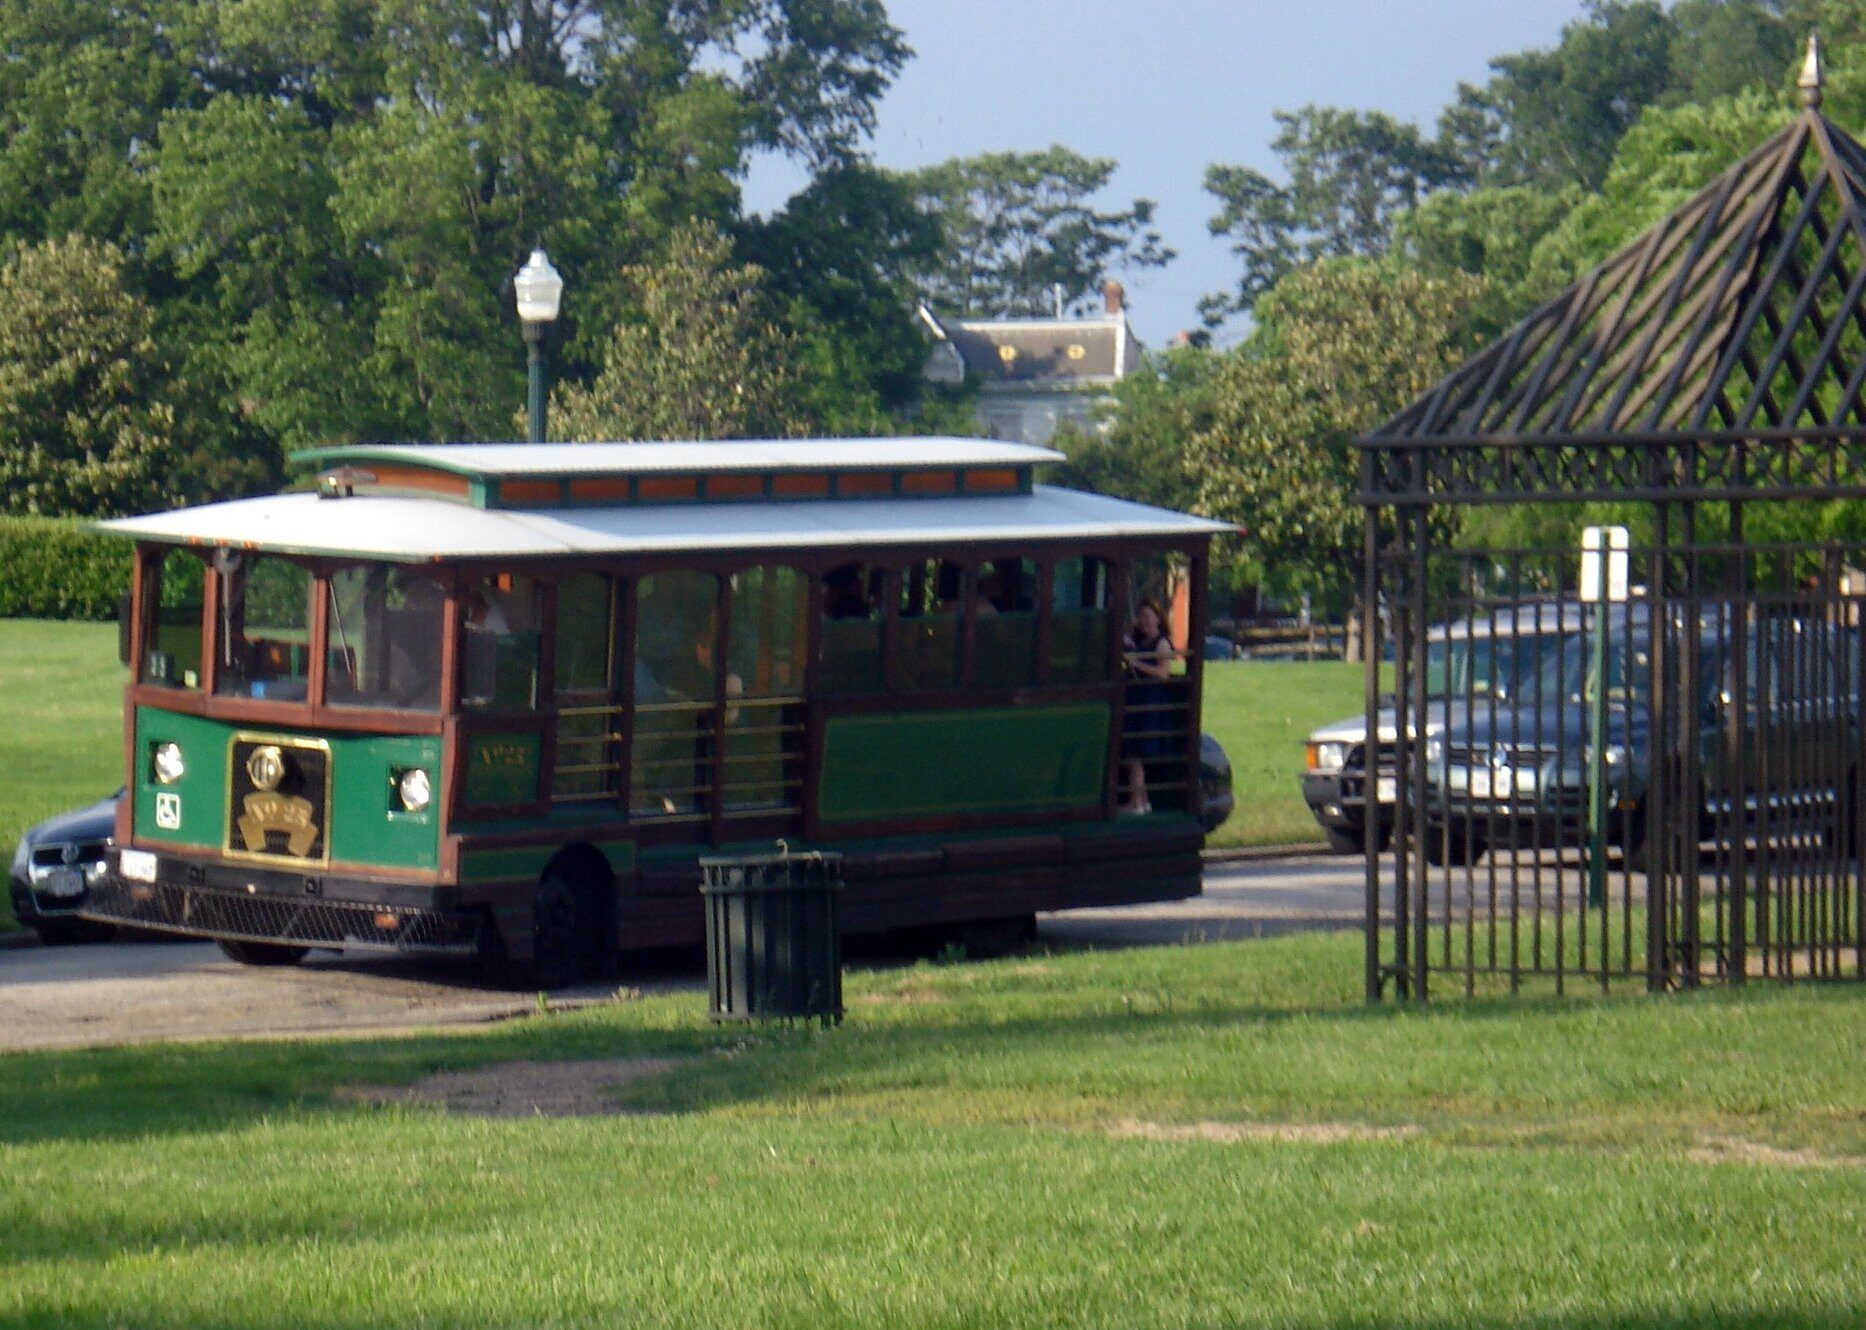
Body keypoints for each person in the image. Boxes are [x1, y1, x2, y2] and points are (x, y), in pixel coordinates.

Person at [1120, 599, 1175, 815]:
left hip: (1150, 701)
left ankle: (1136, 802)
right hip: (1137, 699)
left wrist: (1137, 663)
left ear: (1158, 619)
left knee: (1136, 753)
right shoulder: (1138, 640)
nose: (1143, 621)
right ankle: (1142, 801)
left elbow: (1163, 673)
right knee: (1132, 752)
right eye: (1141, 617)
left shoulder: (1162, 643)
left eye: (1147, 616)